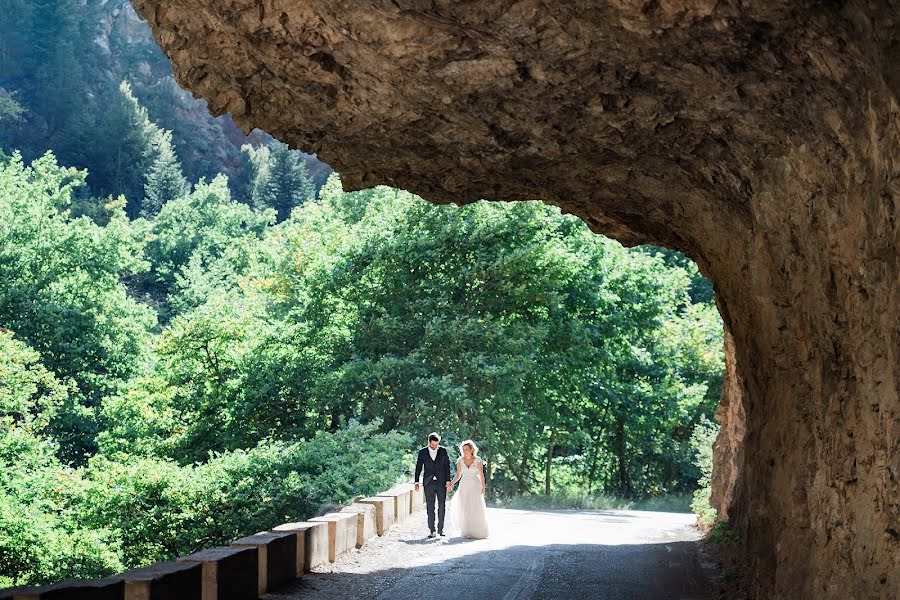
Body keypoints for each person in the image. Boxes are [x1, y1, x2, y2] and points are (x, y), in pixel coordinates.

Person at [446, 439, 489, 539]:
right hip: (464, 486)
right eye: (464, 449)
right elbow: (458, 475)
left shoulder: (477, 460)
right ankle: (467, 531)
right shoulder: (460, 461)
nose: (465, 451)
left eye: (467, 449)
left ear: (471, 449)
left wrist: (483, 486)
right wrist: (451, 483)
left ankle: (478, 531)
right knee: (465, 507)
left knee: (475, 507)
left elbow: (482, 475)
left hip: (475, 485)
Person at [414, 432, 452, 538]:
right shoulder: (423, 452)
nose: (434, 446)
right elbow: (418, 467)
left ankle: (441, 529)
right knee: (430, 507)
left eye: (436, 444)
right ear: (429, 442)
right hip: (428, 483)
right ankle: (432, 530)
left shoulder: (443, 451)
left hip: (441, 482)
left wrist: (448, 481)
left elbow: (447, 466)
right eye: (433, 444)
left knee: (442, 506)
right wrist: (416, 481)